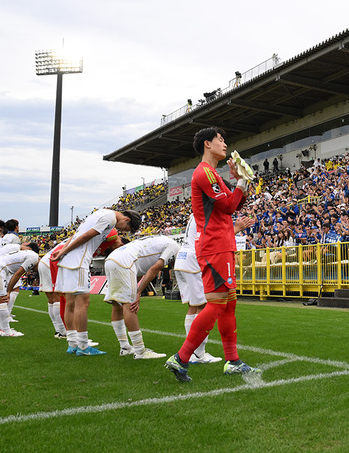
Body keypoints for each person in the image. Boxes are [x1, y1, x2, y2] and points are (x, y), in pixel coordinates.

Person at [165, 127, 259, 382]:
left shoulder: (213, 174)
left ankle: (233, 360)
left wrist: (241, 180)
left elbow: (235, 203)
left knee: (229, 304)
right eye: (221, 140)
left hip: (222, 244)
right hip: (215, 246)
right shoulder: (204, 173)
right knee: (217, 303)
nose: (225, 144)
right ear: (207, 144)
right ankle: (181, 358)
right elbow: (229, 206)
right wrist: (240, 181)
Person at [50, 208, 141, 356]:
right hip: (78, 260)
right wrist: (64, 251)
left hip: (68, 260)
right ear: (127, 220)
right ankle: (84, 346)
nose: (122, 230)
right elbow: (86, 236)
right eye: (126, 228)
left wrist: (63, 251)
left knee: (70, 302)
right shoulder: (110, 218)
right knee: (83, 302)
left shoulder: (101, 212)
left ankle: (73, 343)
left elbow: (75, 235)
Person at [174, 214, 255, 365]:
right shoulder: (210, 208)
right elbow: (215, 239)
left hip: (183, 257)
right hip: (194, 258)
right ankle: (196, 354)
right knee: (208, 305)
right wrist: (237, 228)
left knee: (194, 306)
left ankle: (194, 354)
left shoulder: (198, 210)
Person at [103, 233, 179, 359]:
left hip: (112, 259)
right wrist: (138, 293)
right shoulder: (174, 247)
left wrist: (136, 289)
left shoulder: (159, 241)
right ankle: (140, 351)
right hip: (124, 261)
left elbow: (138, 272)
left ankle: (125, 347)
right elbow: (155, 269)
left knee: (117, 304)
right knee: (130, 304)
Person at [0, 242, 40, 337]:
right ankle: (6, 330)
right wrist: (9, 291)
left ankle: (0, 328)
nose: (33, 270)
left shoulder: (27, 254)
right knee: (2, 298)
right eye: (35, 270)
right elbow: (17, 274)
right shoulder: (34, 257)